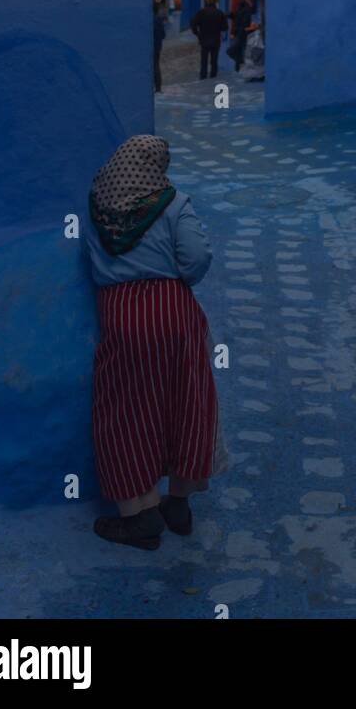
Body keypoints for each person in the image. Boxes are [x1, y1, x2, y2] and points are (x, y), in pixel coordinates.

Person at [85, 134, 222, 550]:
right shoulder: (174, 202)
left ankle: (139, 514)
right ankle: (177, 504)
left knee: (125, 412)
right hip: (173, 312)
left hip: (122, 315)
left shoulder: (95, 205)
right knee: (186, 402)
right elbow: (197, 260)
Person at [190, 0, 228, 79]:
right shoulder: (219, 13)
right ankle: (213, 77)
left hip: (204, 39)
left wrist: (197, 34)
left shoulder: (201, 12)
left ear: (207, 1)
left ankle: (203, 77)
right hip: (215, 39)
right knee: (214, 61)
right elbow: (225, 27)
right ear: (216, 1)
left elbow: (193, 24)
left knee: (204, 60)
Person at [228, 0, 254, 73]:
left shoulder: (246, 7)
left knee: (233, 50)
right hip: (237, 32)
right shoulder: (239, 6)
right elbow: (236, 18)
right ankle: (238, 65)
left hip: (242, 32)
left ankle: (240, 62)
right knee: (237, 50)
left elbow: (245, 21)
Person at [153, 0, 166, 93]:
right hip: (157, 46)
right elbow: (163, 35)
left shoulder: (151, 19)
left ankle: (156, 86)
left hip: (152, 46)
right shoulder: (158, 20)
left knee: (154, 66)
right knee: (156, 66)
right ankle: (158, 87)